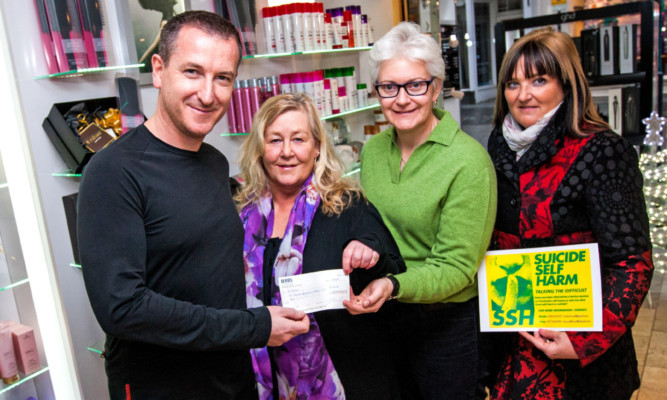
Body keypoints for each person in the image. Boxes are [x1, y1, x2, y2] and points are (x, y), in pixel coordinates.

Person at [77, 11, 309, 399]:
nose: (208, 93)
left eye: (223, 78)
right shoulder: (113, 172)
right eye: (192, 72)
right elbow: (122, 308)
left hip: (230, 375)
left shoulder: (214, 161)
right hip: (163, 385)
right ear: (159, 69)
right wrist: (254, 327)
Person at [487, 27, 653, 399]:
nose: (523, 94)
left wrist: (583, 341)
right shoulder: (499, 144)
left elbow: (632, 262)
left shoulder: (602, 150)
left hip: (579, 356)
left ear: (567, 83)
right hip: (515, 344)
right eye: (512, 84)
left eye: (539, 80)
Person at [344, 22, 498, 399]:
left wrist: (395, 284)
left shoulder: (468, 162)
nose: (401, 99)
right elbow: (374, 227)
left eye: (415, 85)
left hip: (444, 325)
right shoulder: (376, 151)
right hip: (383, 313)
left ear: (436, 88)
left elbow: (457, 268)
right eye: (389, 87)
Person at [235, 92, 409, 400]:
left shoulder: (346, 205)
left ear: (317, 147)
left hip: (341, 380)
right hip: (258, 380)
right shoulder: (242, 213)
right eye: (275, 140)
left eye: (299, 139)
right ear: (260, 148)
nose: (287, 152)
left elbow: (393, 268)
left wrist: (370, 256)